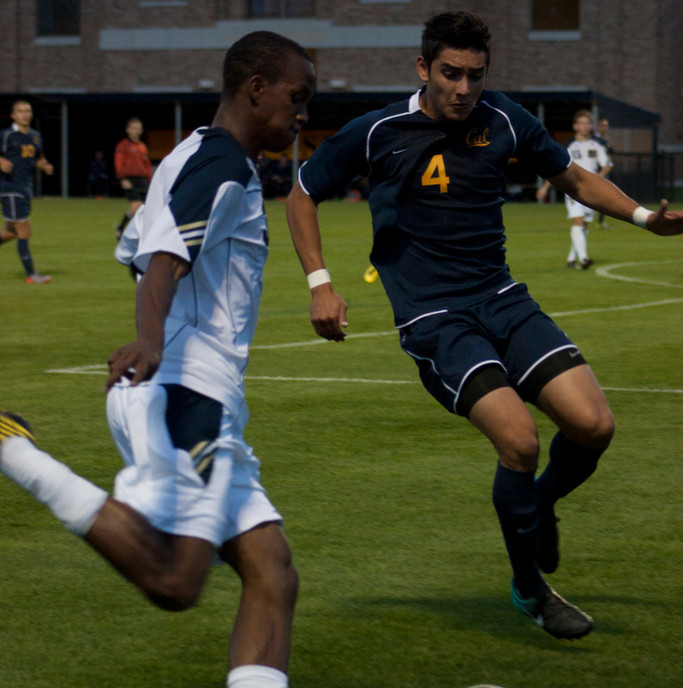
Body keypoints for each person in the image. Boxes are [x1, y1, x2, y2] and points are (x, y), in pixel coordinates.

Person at [0, 31, 344, 688]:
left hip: (199, 394)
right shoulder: (219, 165)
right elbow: (164, 261)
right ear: (256, 89)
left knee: (272, 571)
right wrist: (152, 340)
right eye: (296, 98)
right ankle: (10, 449)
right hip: (179, 395)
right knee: (176, 581)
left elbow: (143, 246)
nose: (300, 116)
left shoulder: (197, 155)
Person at [286, 10, 683, 641]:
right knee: (520, 441)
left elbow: (572, 175)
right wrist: (321, 285)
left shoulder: (503, 119)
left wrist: (642, 217)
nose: (463, 89)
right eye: (450, 74)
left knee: (594, 425)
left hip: (501, 298)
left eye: (475, 75)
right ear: (424, 68)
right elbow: (302, 191)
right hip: (435, 319)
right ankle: (531, 589)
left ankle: (539, 503)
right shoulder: (379, 130)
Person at [537, 109, 612, 267]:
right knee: (578, 221)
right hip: (573, 189)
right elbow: (556, 168)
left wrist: (597, 178)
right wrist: (545, 188)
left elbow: (607, 165)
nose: (585, 126)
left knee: (584, 224)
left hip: (591, 190)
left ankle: (571, 259)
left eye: (588, 123)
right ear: (575, 126)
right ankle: (584, 258)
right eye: (582, 123)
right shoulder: (568, 146)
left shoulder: (596, 145)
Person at [0, 98, 54, 284]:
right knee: (24, 231)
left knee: (11, 232)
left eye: (27, 110)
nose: (24, 114)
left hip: (25, 188)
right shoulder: (6, 135)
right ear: (13, 115)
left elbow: (37, 158)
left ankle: (31, 274)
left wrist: (45, 165)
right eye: (20, 111)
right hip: (10, 188)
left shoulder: (35, 136)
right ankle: (31, 275)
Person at [114, 117, 153, 240]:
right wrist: (122, 179)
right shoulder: (123, 145)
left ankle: (129, 230)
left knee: (144, 209)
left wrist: (151, 180)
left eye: (139, 128)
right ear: (128, 130)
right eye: (134, 128)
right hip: (130, 179)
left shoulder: (142, 146)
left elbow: (147, 165)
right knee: (136, 205)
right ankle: (121, 227)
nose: (137, 130)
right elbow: (118, 163)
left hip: (142, 180)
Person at [593, 117, 615, 228]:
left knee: (605, 197)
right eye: (603, 125)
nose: (605, 128)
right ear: (599, 127)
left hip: (604, 171)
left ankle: (600, 222)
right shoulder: (595, 140)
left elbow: (609, 154)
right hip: (595, 171)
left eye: (606, 126)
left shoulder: (606, 140)